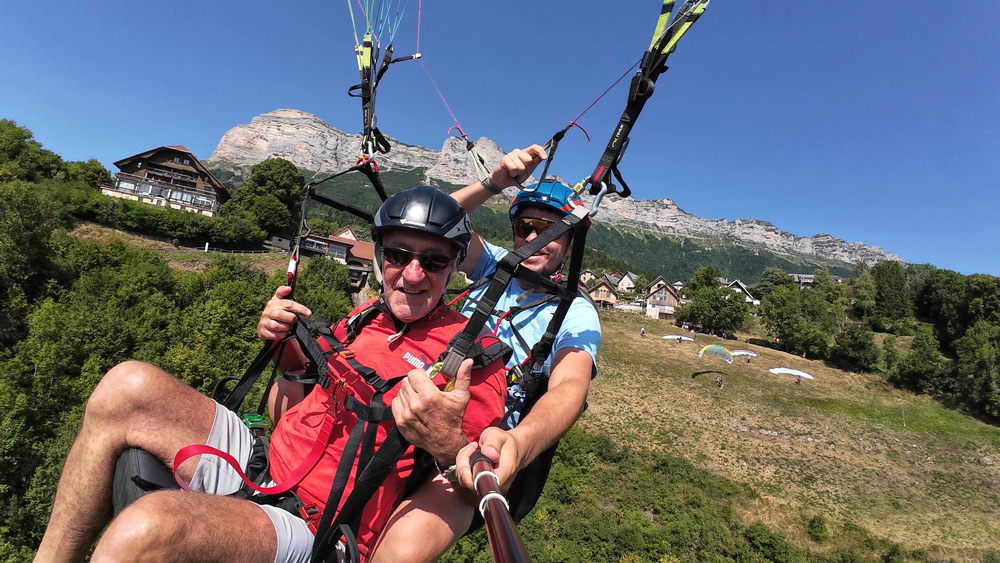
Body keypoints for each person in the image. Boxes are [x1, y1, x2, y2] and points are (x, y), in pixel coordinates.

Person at [33, 186, 507, 563]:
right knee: (125, 384)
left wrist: (446, 443)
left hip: (318, 525)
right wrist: (280, 342)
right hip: (266, 464)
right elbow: (305, 382)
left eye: (435, 260)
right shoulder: (365, 319)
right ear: (381, 257)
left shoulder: (472, 356)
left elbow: (480, 486)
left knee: (147, 528)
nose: (413, 273)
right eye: (399, 255)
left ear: (454, 271)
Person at [374, 145, 601, 559]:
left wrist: (519, 442)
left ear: (568, 244)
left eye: (549, 231)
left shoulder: (576, 311)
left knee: (400, 552)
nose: (534, 238)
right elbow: (424, 218)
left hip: (472, 440)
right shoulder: (497, 264)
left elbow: (570, 387)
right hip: (419, 393)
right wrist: (493, 183)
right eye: (526, 226)